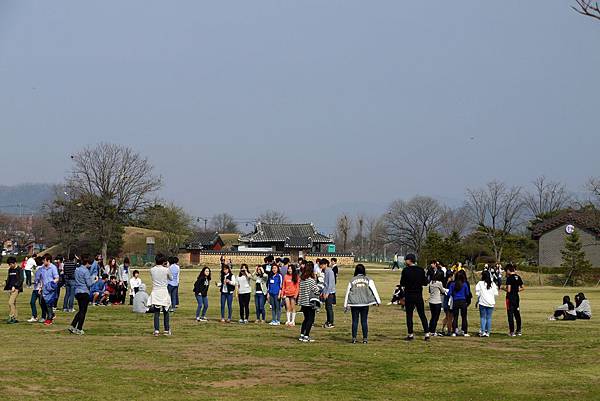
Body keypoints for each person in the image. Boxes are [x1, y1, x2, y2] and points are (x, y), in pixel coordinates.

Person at [343, 264, 381, 344]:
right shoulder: (368, 280)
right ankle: (365, 339)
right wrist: (378, 301)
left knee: (354, 321)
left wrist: (345, 304)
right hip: (365, 303)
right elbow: (374, 290)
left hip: (354, 303)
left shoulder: (352, 280)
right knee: (364, 321)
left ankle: (353, 338)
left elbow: (347, 292)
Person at [400, 254, 429, 341]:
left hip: (409, 295)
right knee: (422, 315)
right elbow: (425, 282)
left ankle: (410, 334)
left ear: (409, 260)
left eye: (406, 260)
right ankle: (427, 333)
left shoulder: (405, 270)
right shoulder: (420, 270)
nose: (405, 261)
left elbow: (402, 283)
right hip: (418, 295)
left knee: (409, 315)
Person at [148, 254, 173, 336]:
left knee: (156, 312)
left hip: (155, 291)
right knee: (166, 311)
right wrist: (168, 267)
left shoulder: (152, 270)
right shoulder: (166, 270)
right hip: (163, 291)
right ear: (163, 261)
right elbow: (171, 278)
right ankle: (166, 330)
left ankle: (156, 330)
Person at [69, 255, 94, 335]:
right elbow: (89, 284)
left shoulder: (77, 270)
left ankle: (72, 325)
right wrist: (94, 280)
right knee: (83, 312)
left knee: (80, 311)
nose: (90, 265)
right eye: (90, 264)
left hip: (77, 292)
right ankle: (79, 328)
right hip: (84, 292)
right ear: (87, 263)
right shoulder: (86, 271)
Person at [298, 263, 320, 342]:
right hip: (310, 302)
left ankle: (301, 335)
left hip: (303, 302)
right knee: (311, 319)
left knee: (305, 319)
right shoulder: (311, 280)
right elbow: (316, 290)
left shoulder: (302, 279)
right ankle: (306, 335)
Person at [475, 270, 498, 337]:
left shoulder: (480, 283)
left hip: (482, 302)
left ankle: (482, 331)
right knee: (489, 318)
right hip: (491, 303)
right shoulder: (493, 284)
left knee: (483, 317)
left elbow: (478, 293)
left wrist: (477, 301)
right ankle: (488, 332)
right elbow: (496, 293)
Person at [448, 269, 471, 336]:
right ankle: (465, 331)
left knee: (455, 317)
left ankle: (454, 331)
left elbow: (449, 293)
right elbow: (467, 293)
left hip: (455, 301)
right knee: (464, 317)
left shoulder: (452, 284)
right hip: (463, 301)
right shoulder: (464, 284)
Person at [504, 264, 524, 337]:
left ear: (508, 270)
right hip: (516, 298)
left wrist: (502, 288)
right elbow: (523, 287)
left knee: (510, 315)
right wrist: (516, 290)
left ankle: (511, 331)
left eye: (506, 271)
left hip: (510, 298)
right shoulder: (518, 277)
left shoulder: (509, 278)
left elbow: (508, 290)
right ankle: (518, 330)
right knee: (517, 314)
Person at [39, 254, 59, 325]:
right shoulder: (42, 268)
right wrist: (40, 287)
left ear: (48, 260)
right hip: (44, 288)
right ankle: (52, 314)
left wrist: (52, 284)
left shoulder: (53, 267)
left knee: (48, 304)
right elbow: (41, 278)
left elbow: (57, 278)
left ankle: (49, 319)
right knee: (42, 303)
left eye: (44, 260)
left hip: (50, 288)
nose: (43, 262)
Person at [4, 256, 24, 324]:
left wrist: (15, 286)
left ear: (14, 263)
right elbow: (9, 278)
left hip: (16, 289)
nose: (10, 265)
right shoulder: (10, 270)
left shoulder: (19, 269)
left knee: (10, 302)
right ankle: (15, 317)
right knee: (13, 304)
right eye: (9, 264)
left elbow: (21, 279)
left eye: (11, 264)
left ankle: (11, 316)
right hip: (10, 289)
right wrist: (6, 283)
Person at [427, 270, 447, 336]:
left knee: (432, 317)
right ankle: (433, 331)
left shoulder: (431, 282)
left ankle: (429, 329)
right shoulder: (439, 283)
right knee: (436, 317)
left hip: (431, 301)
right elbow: (443, 291)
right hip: (437, 302)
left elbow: (430, 291)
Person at [28, 256, 45, 323]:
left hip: (40, 289)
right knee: (32, 302)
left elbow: (41, 279)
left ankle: (46, 315)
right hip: (35, 288)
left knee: (42, 304)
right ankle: (34, 316)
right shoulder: (37, 268)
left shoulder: (41, 269)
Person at [320, 258, 336, 329]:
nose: (321, 266)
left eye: (322, 264)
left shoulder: (330, 271)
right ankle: (328, 321)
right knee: (327, 307)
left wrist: (327, 293)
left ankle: (331, 322)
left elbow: (330, 284)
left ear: (326, 264)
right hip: (326, 292)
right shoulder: (325, 271)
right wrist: (323, 292)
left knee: (329, 308)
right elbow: (325, 284)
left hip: (330, 292)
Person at [440, 269, 454, 336]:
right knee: (450, 317)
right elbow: (450, 292)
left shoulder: (444, 281)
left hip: (445, 301)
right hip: (449, 301)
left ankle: (442, 329)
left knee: (447, 316)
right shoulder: (451, 283)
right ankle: (449, 331)